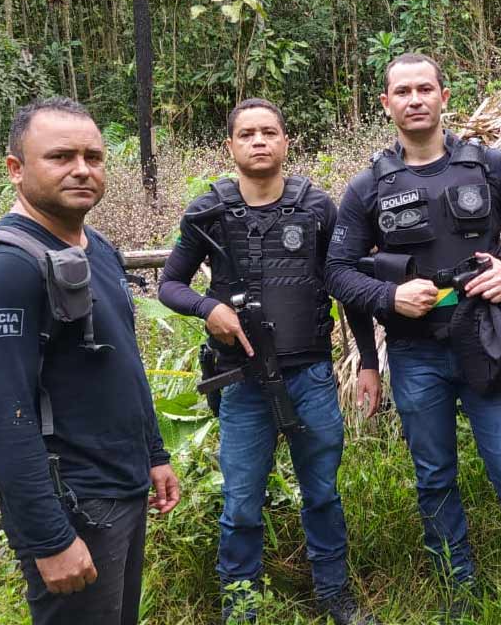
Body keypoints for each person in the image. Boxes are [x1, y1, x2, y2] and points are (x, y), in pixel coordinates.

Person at [326, 53, 501, 625]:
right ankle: (455, 586)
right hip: (415, 352)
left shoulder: (490, 167)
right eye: (402, 91)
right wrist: (390, 298)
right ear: (385, 104)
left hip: (487, 339)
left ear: (444, 96)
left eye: (424, 89)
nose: (414, 100)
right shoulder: (367, 188)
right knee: (434, 474)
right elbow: (338, 269)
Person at [0, 96, 181, 624]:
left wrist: (153, 451)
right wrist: (48, 537)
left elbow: (121, 362)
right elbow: (2, 418)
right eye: (60, 157)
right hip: (74, 504)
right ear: (16, 169)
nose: (82, 169)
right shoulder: (1, 271)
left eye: (94, 156)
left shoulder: (96, 248)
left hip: (121, 488)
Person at [158, 98, 381, 625]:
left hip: (311, 376)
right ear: (230, 145)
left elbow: (347, 286)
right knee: (241, 502)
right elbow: (169, 284)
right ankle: (242, 605)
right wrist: (207, 307)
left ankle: (335, 597)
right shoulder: (207, 210)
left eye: (269, 132)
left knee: (322, 493)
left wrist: (368, 361)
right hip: (242, 381)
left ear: (286, 141)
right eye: (248, 134)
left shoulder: (318, 207)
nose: (259, 141)